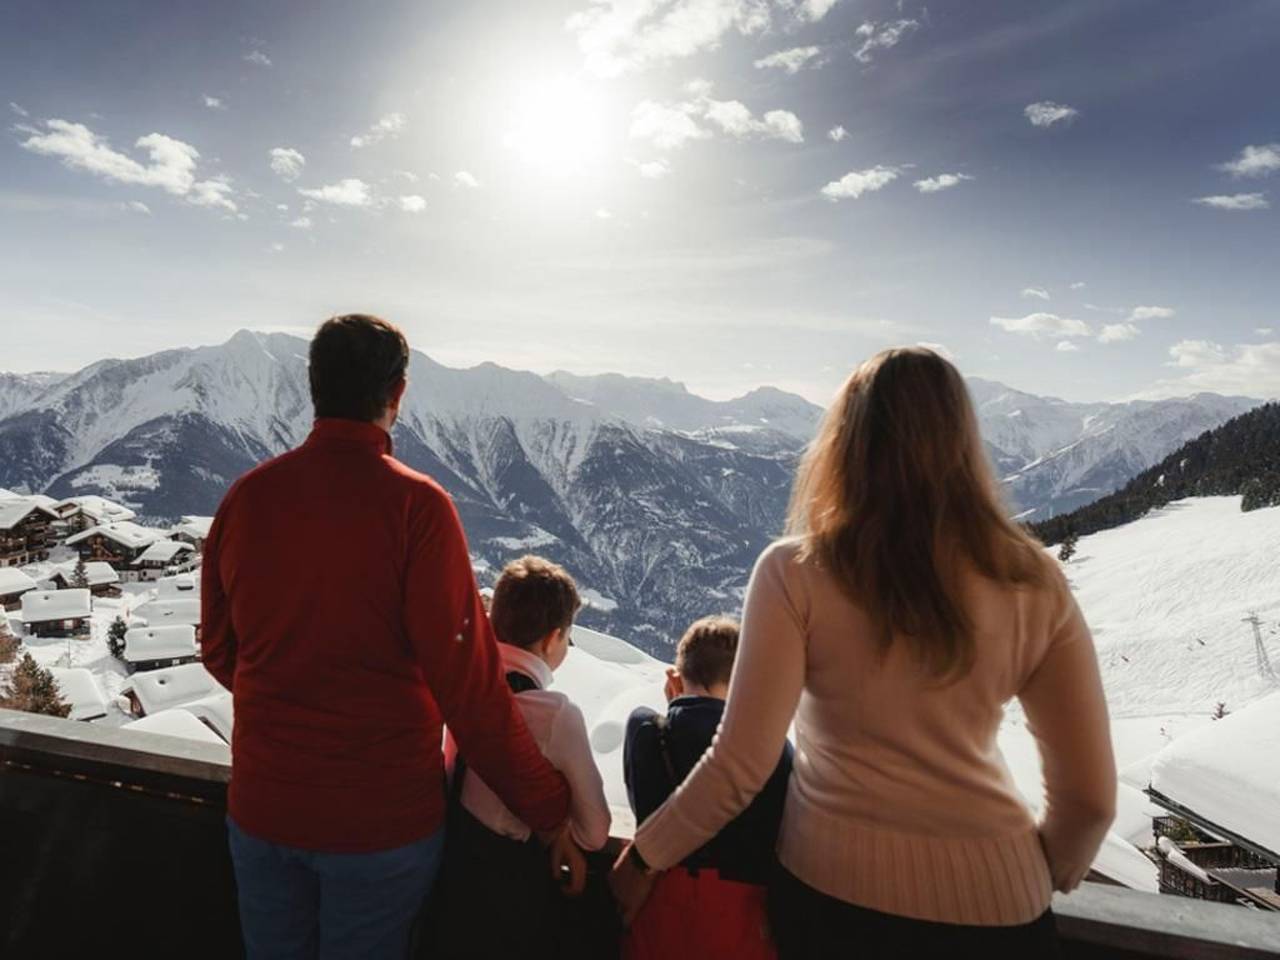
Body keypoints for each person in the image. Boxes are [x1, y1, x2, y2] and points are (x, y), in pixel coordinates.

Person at [610, 347, 1116, 958]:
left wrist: (641, 861)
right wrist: (1036, 872)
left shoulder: (795, 572)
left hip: (831, 902)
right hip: (1002, 911)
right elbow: (1090, 800)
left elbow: (739, 766)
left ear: (844, 442)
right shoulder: (1031, 581)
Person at [202, 315, 577, 958]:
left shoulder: (246, 498)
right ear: (397, 394)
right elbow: (471, 692)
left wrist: (294, 702)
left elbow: (218, 650)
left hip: (263, 808)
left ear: (312, 387)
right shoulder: (417, 508)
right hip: (379, 827)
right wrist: (548, 812)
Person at [432, 554, 612, 958]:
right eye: (568, 637)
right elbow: (596, 830)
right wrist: (562, 829)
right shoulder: (556, 714)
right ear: (552, 639)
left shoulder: (462, 680)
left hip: (446, 874)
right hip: (506, 896)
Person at [622, 616, 792, 960]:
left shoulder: (647, 730)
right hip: (740, 921)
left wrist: (674, 704)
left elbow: (647, 809)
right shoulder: (773, 749)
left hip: (661, 912)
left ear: (675, 677)